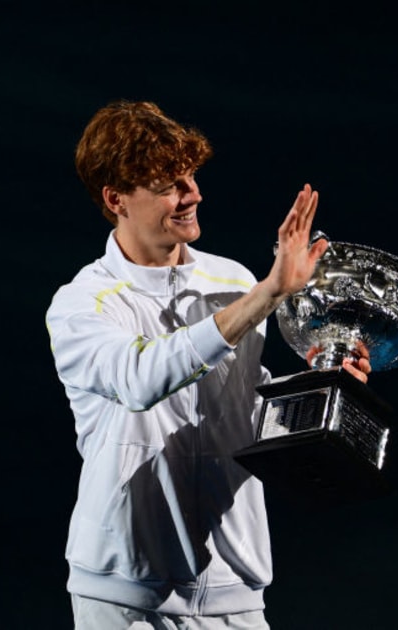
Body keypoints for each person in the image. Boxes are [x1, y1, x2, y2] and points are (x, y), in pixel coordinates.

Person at [45, 100, 371, 629]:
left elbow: (243, 403)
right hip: (126, 597)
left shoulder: (234, 282)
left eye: (191, 177)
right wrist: (267, 295)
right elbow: (141, 378)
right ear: (116, 199)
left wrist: (323, 382)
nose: (193, 194)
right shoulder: (83, 303)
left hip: (233, 591)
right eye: (170, 184)